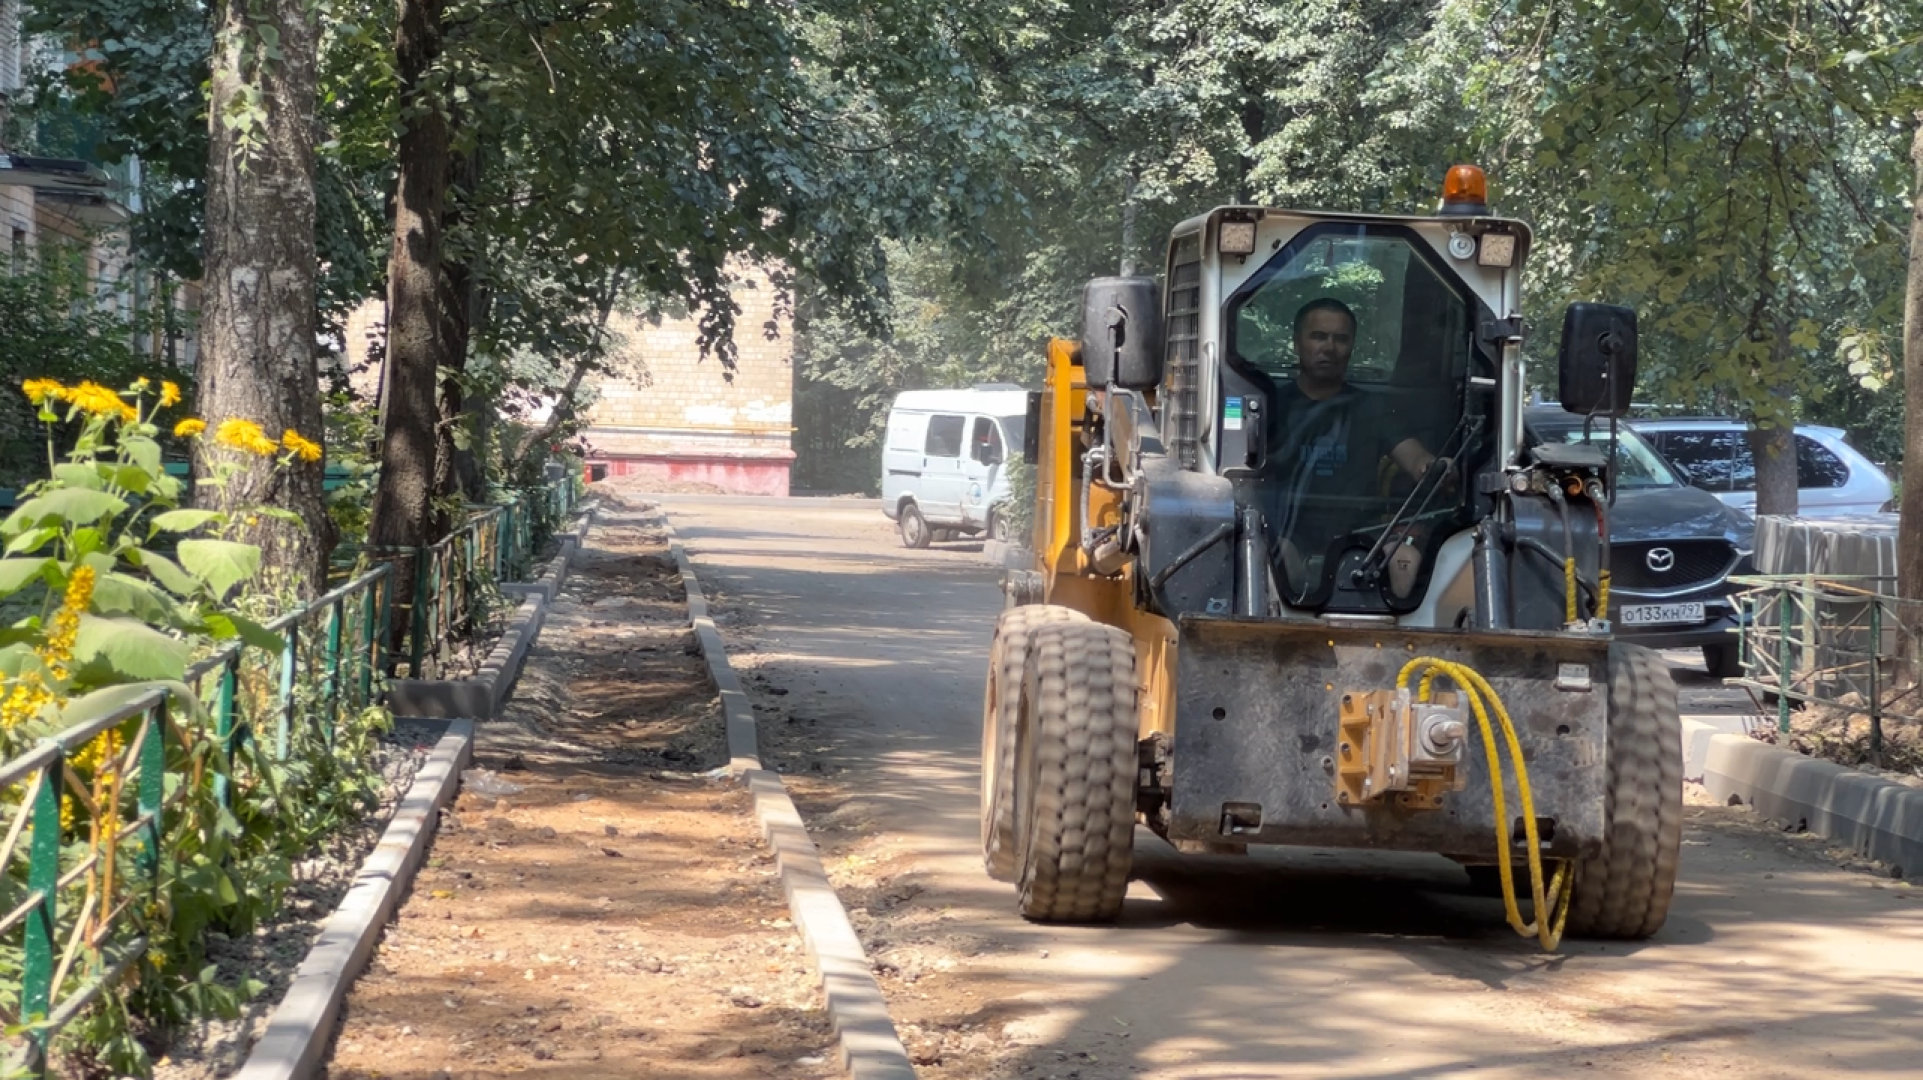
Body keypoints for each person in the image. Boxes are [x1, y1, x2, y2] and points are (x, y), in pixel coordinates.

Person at [1264, 297, 1447, 587]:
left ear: (1351, 347)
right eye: (1318, 337)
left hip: (1362, 538)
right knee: (1266, 557)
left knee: (1405, 559)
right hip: (1285, 534)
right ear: (1297, 343)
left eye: (1341, 339)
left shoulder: (1371, 408)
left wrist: (1433, 467)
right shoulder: (1270, 405)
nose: (1329, 348)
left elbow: (1415, 458)